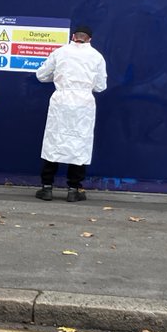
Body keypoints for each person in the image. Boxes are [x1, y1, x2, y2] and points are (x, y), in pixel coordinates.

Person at [34, 24, 107, 203]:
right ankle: (74, 190)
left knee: (53, 143)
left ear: (73, 36)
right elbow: (100, 86)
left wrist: (58, 77)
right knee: (79, 145)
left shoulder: (60, 52)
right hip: (84, 104)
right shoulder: (97, 56)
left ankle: (47, 188)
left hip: (61, 101)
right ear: (90, 39)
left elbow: (41, 75)